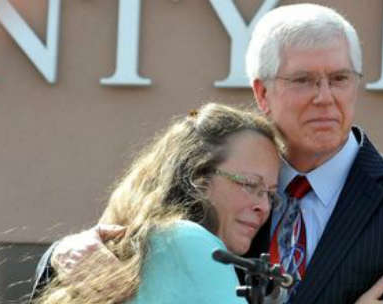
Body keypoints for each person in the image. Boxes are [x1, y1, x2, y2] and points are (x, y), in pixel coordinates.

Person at [33, 3, 383, 304]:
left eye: (340, 78)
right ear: (262, 92)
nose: (325, 97)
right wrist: (65, 253)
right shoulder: (220, 186)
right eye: (304, 80)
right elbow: (132, 264)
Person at [33, 103, 283, 303]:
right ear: (199, 178)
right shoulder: (188, 243)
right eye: (250, 184)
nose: (264, 207)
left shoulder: (138, 246)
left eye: (270, 194)